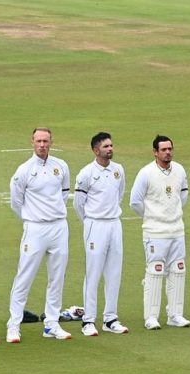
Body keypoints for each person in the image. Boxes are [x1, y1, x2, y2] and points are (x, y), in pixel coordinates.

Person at [6, 127, 72, 343]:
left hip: (58, 227)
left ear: (51, 142)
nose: (42, 145)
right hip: (35, 228)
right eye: (38, 141)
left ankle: (51, 324)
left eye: (45, 141)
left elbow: (64, 194)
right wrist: (31, 217)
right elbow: (16, 201)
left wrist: (53, 215)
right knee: (24, 275)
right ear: (32, 142)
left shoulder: (60, 166)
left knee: (57, 277)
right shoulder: (24, 170)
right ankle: (13, 325)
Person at [129, 135, 190, 330]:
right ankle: (151, 317)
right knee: (155, 271)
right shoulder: (146, 173)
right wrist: (152, 217)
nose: (168, 152)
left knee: (178, 270)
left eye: (170, 149)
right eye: (163, 150)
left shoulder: (180, 170)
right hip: (155, 232)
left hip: (177, 230)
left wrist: (173, 214)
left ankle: (175, 315)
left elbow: (183, 195)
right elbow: (135, 202)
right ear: (155, 152)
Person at [73, 132, 129, 336]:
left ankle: (110, 318)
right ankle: (88, 320)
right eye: (106, 146)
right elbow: (78, 204)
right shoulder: (86, 173)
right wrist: (89, 222)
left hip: (114, 224)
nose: (110, 149)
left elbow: (119, 195)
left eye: (111, 145)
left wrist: (110, 214)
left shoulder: (118, 170)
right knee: (93, 273)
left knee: (114, 272)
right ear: (96, 150)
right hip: (95, 225)